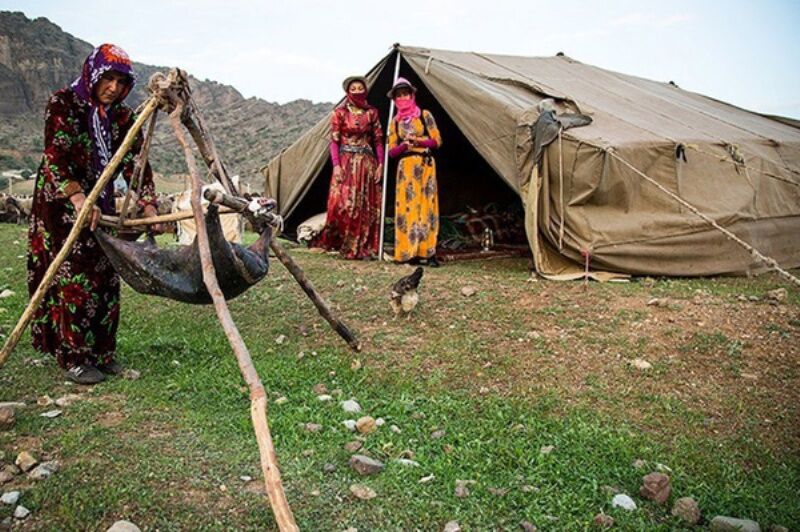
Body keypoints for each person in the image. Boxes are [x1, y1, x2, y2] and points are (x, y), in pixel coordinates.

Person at [27, 44, 160, 384]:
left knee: (106, 275)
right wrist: (77, 198)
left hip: (101, 203)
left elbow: (135, 160)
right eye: (108, 78)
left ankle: (103, 353)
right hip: (61, 203)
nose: (113, 87)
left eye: (120, 81)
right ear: (93, 74)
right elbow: (55, 155)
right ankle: (74, 357)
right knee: (74, 278)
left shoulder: (122, 117)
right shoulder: (63, 104)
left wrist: (147, 202)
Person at [311, 76, 384, 259]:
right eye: (354, 88)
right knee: (341, 203)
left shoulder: (372, 113)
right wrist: (336, 166)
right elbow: (334, 141)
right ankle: (342, 241)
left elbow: (378, 141)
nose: (357, 91)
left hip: (367, 163)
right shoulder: (339, 113)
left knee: (364, 205)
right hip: (345, 161)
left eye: (361, 88)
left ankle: (362, 245)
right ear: (347, 92)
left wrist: (381, 164)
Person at [387, 78, 442, 266]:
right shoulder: (394, 123)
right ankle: (407, 252)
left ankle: (427, 252)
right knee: (407, 208)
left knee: (426, 206)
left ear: (412, 95)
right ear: (395, 99)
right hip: (406, 167)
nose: (403, 97)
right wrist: (404, 145)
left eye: (406, 93)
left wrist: (419, 141)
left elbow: (437, 140)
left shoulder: (424, 115)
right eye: (399, 95)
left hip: (425, 164)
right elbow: (391, 151)